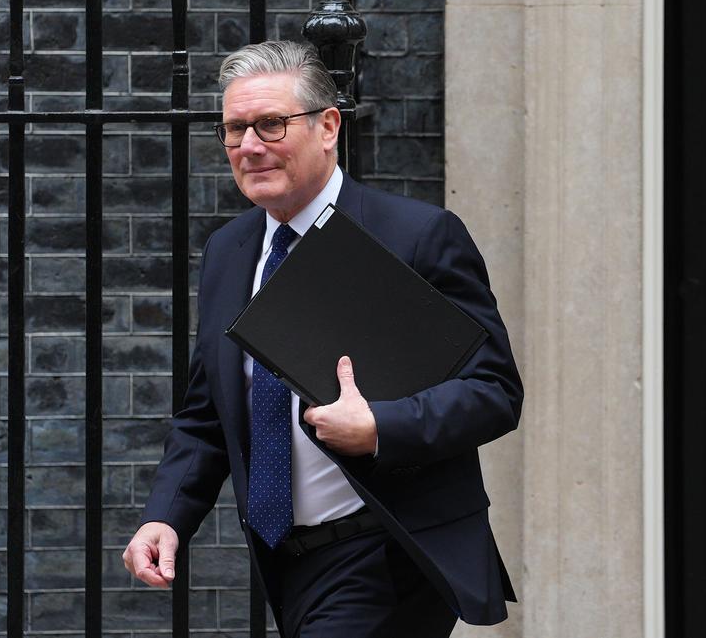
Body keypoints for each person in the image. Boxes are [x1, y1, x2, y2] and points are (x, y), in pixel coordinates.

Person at [120, 40, 523, 638]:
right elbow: (207, 414)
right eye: (234, 130)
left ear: (328, 126)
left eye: (270, 125)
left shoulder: (416, 236)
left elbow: (493, 391)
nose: (249, 147)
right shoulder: (229, 253)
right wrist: (167, 518)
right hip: (288, 564)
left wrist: (381, 427)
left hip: (385, 554)